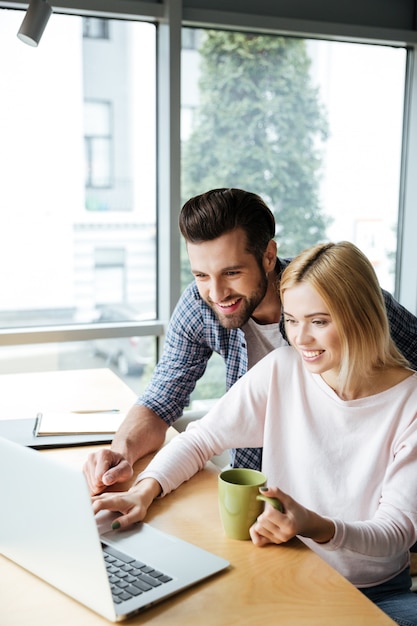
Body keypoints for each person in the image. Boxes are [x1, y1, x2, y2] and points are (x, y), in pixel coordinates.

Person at [93, 241, 417, 626]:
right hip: (285, 569)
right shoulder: (283, 368)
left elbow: (396, 532)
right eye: (292, 320)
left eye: (319, 321)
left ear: (362, 316)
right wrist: (143, 491)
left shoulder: (409, 402)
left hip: (373, 590)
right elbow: (200, 440)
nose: (301, 339)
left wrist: (314, 525)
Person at [84, 188, 417, 496]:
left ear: (269, 256)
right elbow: (161, 399)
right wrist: (121, 452)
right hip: (259, 491)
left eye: (231, 273)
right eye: (201, 275)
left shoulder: (338, 298)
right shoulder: (200, 306)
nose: (216, 293)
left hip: (349, 495)